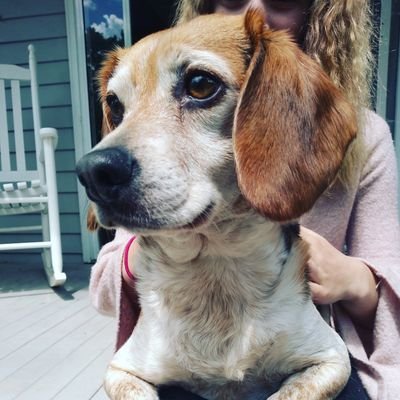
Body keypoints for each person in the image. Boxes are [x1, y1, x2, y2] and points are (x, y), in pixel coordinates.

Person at [89, 1, 400, 399]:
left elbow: (386, 288)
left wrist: (354, 278)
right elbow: (104, 285)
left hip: (295, 341)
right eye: (118, 105)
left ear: (319, 15)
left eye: (200, 86)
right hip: (179, 347)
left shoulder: (368, 135)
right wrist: (143, 253)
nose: (250, 8)